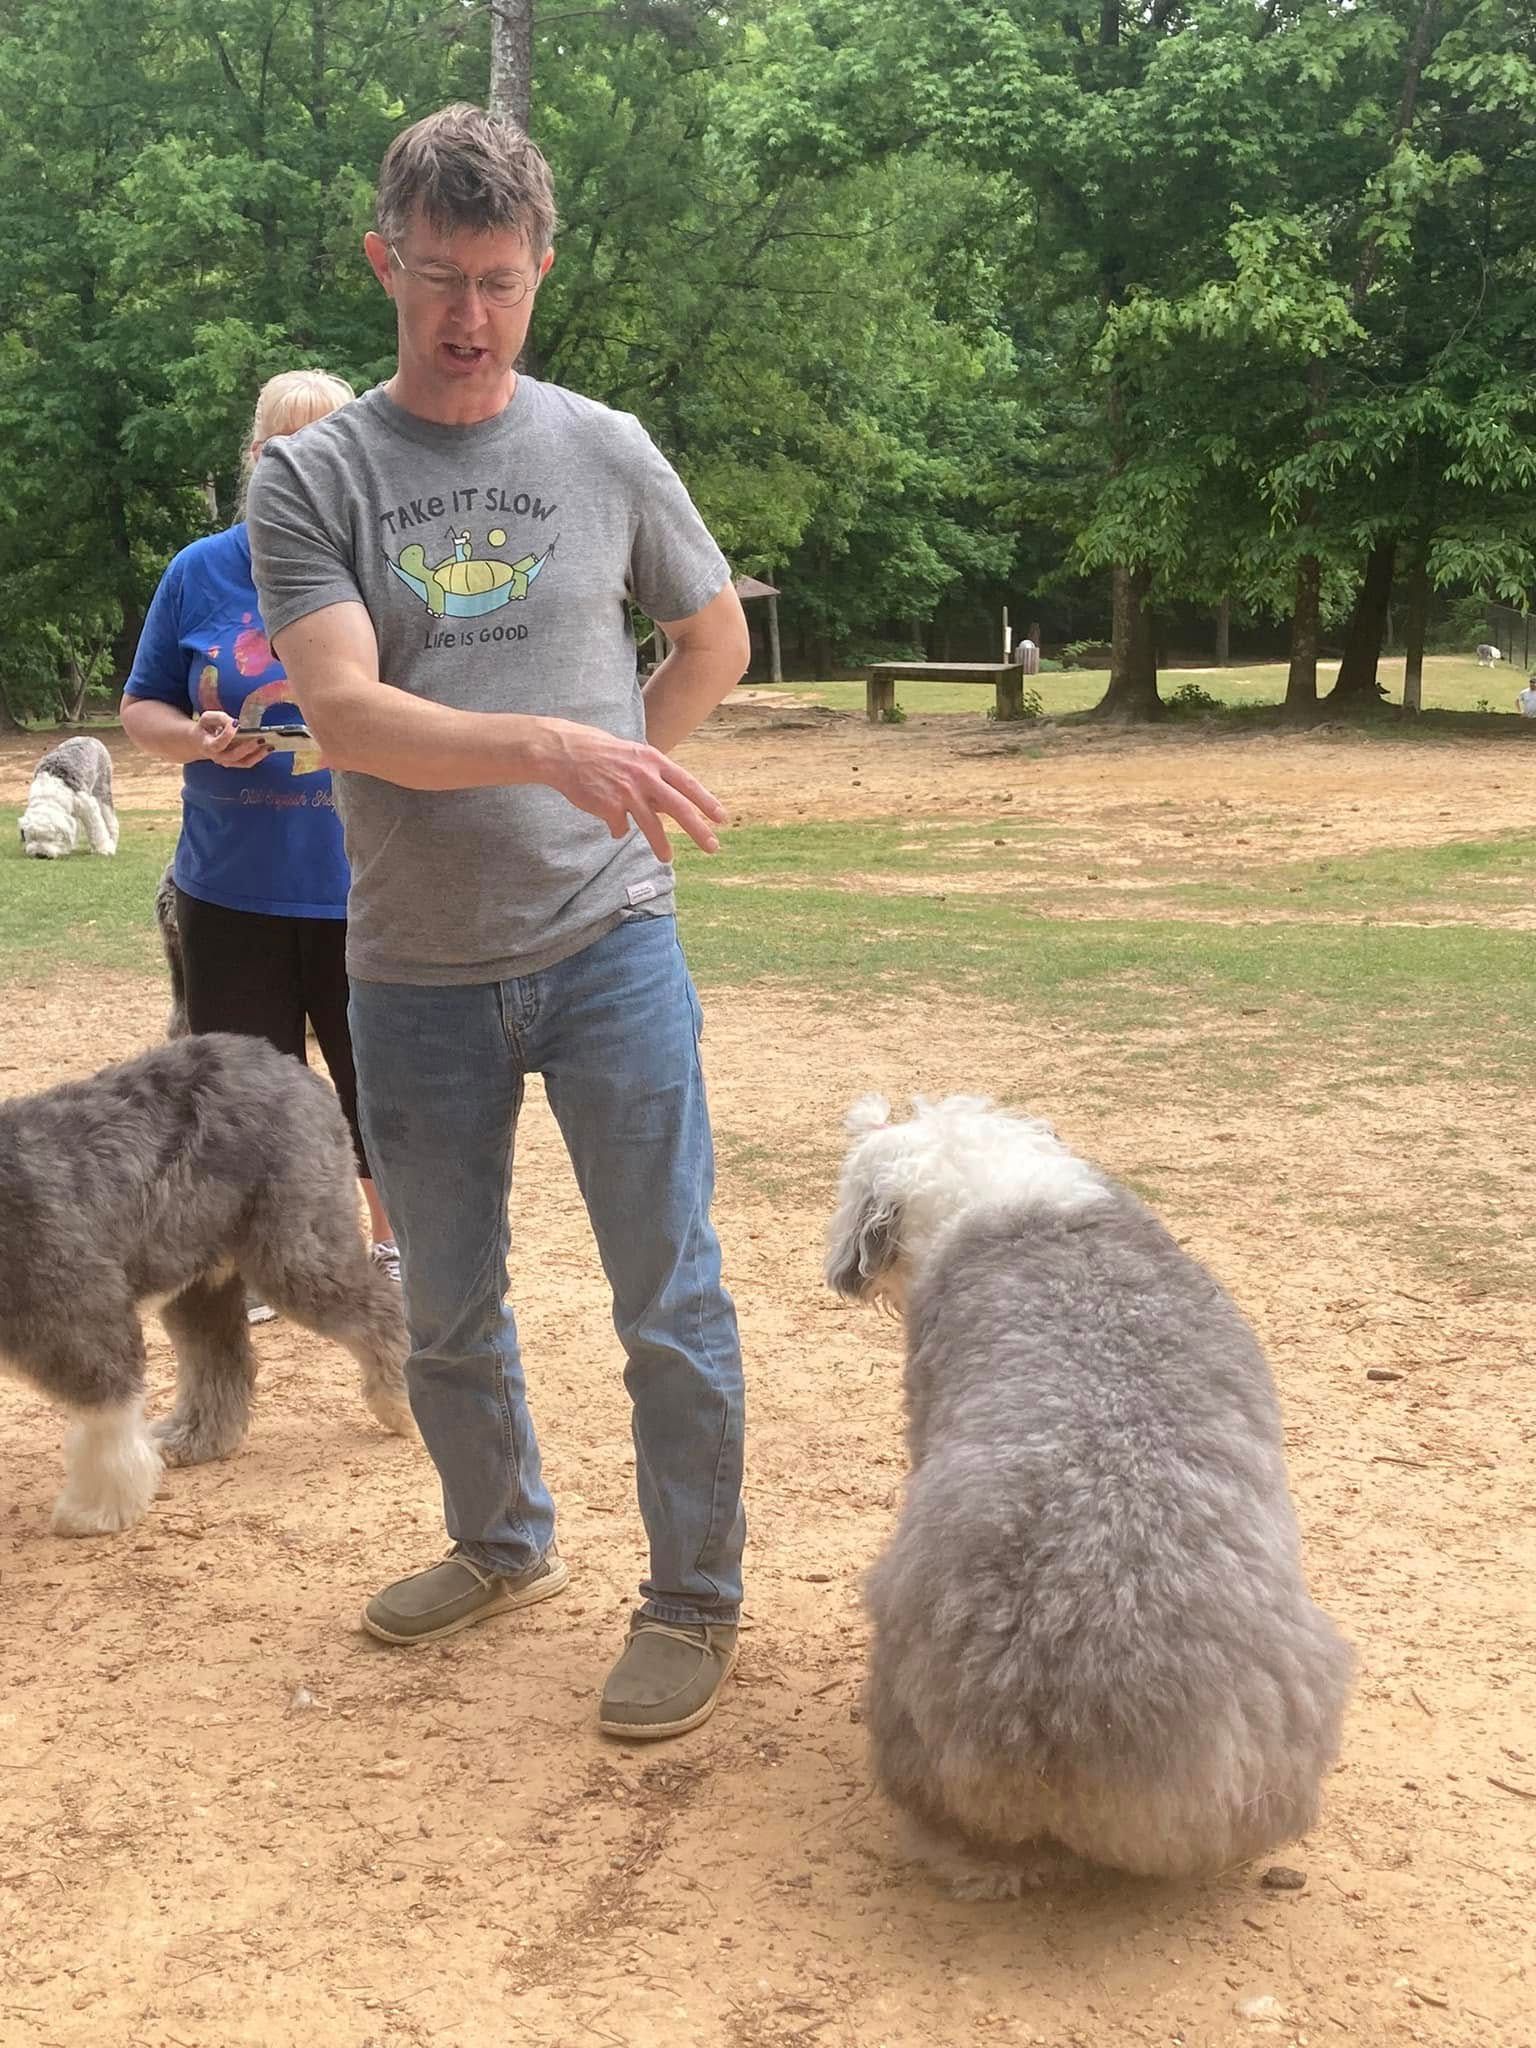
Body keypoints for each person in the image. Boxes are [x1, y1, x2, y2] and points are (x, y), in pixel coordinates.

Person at [246, 106, 751, 1740]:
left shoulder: (602, 447)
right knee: (447, 1299)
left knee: (665, 1292)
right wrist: (555, 745)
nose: (470, 315)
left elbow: (713, 631)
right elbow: (345, 713)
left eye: (503, 282)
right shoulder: (314, 479)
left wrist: (625, 784)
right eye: (440, 279)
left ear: (541, 271)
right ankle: (496, 1536)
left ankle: (691, 1595)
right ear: (383, 260)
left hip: (612, 952)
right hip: (413, 974)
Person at [121, 371, 400, 1320]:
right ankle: (259, 1265)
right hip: (229, 890)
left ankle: (398, 1253)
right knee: (241, 1105)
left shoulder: (383, 560)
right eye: (280, 452)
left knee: (381, 1089)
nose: (299, 471)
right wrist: (190, 738)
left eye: (324, 451)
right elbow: (142, 705)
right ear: (253, 462)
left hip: (368, 882)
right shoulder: (198, 571)